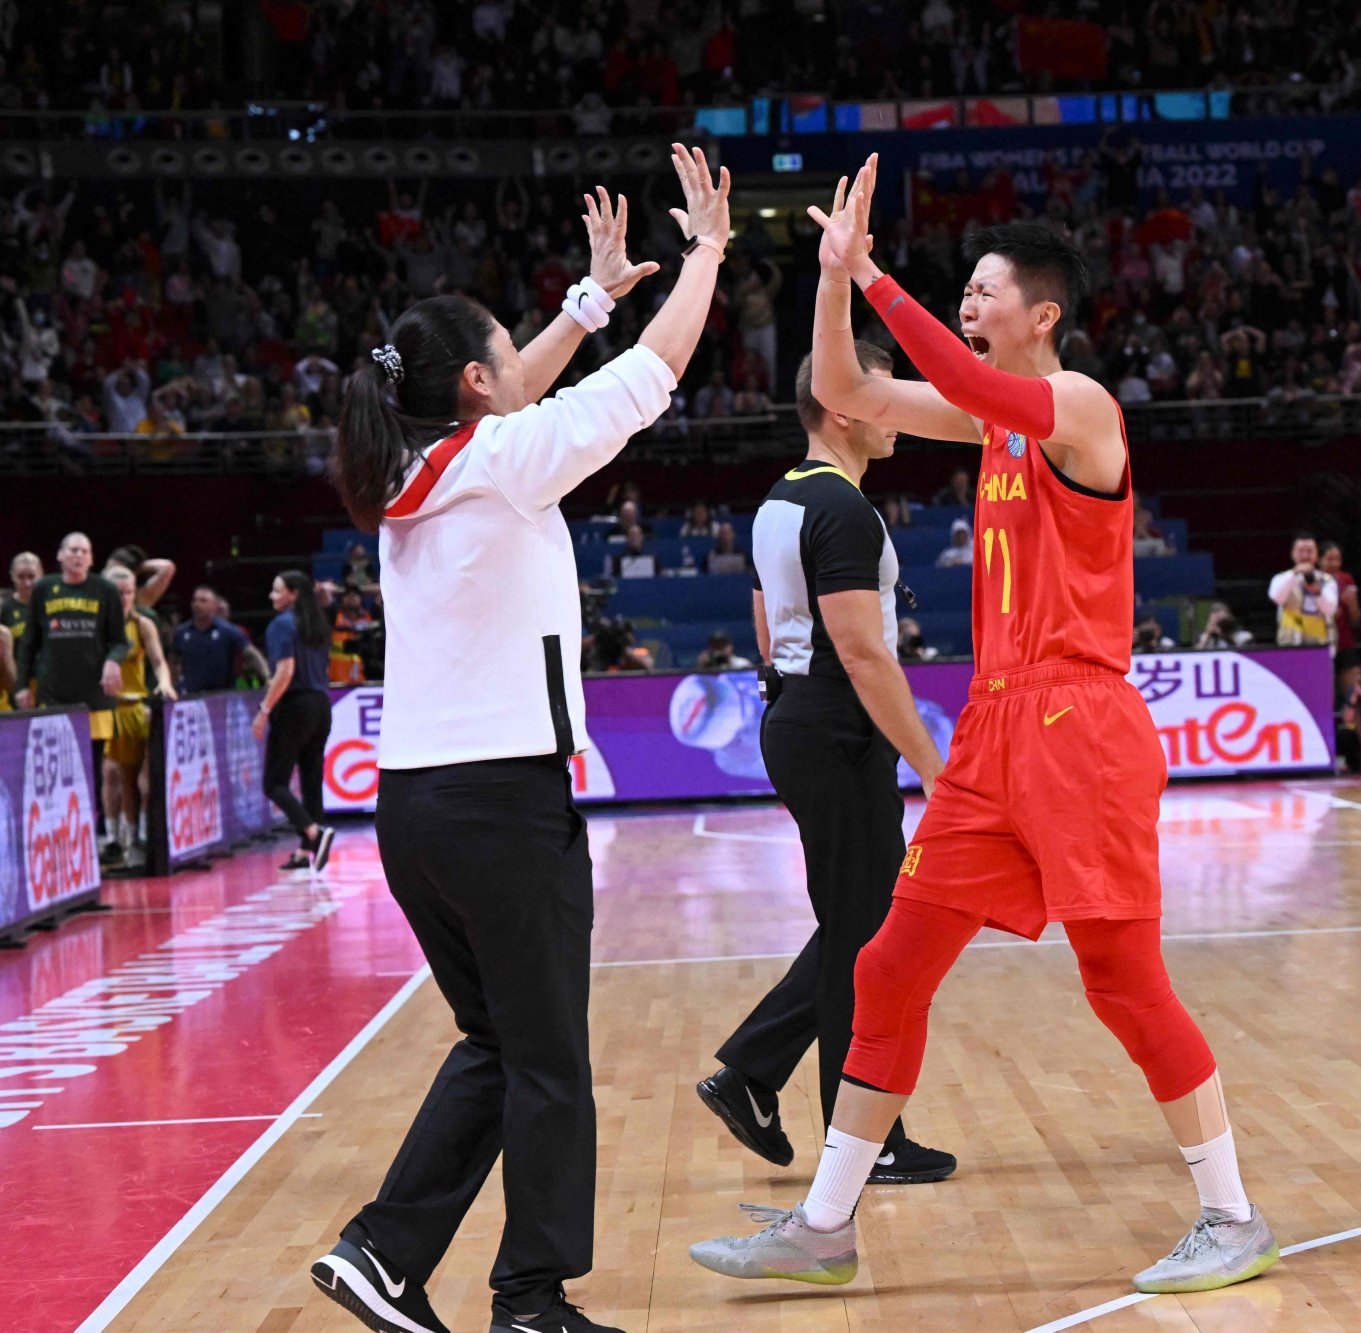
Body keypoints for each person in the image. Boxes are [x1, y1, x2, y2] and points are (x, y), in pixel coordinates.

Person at [692, 158, 1278, 1295]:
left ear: (1041, 313)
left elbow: (952, 369)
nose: (968, 299)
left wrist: (875, 274)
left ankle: (1230, 1211)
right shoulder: (989, 422)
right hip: (994, 736)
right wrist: (829, 280)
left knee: (1122, 980)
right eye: (960, 286)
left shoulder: (1079, 408)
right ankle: (823, 1224)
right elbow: (844, 391)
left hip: (1080, 728)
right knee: (889, 963)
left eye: (985, 286)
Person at [310, 156, 728, 1333]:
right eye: (508, 355)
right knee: (546, 1060)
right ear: (477, 383)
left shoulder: (413, 463)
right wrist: (704, 256)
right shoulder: (495, 461)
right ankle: (532, 1301)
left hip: (414, 810)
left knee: (499, 1042)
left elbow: (514, 395)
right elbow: (653, 377)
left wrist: (583, 305)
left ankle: (384, 1254)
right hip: (500, 803)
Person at [698, 341, 955, 1191]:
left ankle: (752, 1072)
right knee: (869, 941)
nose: (897, 411)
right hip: (838, 725)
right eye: (880, 393)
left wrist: (795, 698)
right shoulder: (843, 509)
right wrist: (930, 761)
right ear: (843, 407)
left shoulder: (781, 498)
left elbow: (766, 623)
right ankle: (863, 1139)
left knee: (858, 927)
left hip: (797, 714)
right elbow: (862, 651)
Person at [12, 534, 130, 816]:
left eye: (84, 551)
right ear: (60, 555)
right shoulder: (44, 588)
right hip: (53, 695)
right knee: (54, 771)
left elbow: (119, 641)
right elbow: (29, 641)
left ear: (91, 559)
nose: (78, 555)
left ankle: (89, 834)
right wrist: (21, 685)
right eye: (73, 550)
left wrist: (113, 661)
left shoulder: (105, 590)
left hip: (95, 698)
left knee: (91, 770)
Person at [254, 570, 335, 874]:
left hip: (294, 706)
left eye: (277, 591)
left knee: (274, 783)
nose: (271, 597)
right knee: (311, 779)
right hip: (320, 705)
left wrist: (264, 710)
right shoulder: (317, 623)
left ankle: (314, 833)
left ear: (293, 594)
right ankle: (305, 850)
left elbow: (285, 672)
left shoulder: (281, 624)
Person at [99, 565, 176, 866]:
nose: (125, 598)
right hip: (103, 706)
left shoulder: (142, 624)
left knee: (129, 777)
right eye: (119, 594)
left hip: (131, 706)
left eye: (129, 592)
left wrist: (165, 682)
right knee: (107, 774)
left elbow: (159, 662)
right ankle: (112, 837)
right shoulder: (94, 627)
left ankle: (133, 839)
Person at [171, 585, 266, 694]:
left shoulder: (228, 630)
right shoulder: (182, 632)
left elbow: (251, 654)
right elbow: (173, 660)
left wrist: (267, 678)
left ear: (214, 606)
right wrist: (173, 684)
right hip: (190, 694)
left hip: (223, 694)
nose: (197, 604)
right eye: (194, 600)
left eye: (203, 601)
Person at [1266, 534, 1328, 648]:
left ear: (1316, 554)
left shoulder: (1327, 580)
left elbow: (1330, 608)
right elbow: (1275, 597)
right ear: (1292, 553)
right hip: (1290, 643)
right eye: (1300, 551)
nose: (1305, 555)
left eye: (1309, 551)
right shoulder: (1280, 578)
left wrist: (1317, 592)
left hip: (1319, 645)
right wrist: (1294, 573)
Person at [1318, 543, 1361, 694]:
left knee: (1353, 696)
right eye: (1329, 559)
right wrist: (1330, 614)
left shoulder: (1346, 579)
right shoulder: (1312, 580)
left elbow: (1356, 620)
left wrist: (1352, 606)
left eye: (1337, 559)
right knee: (1324, 696)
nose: (1334, 564)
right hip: (1321, 645)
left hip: (1345, 643)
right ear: (1319, 560)